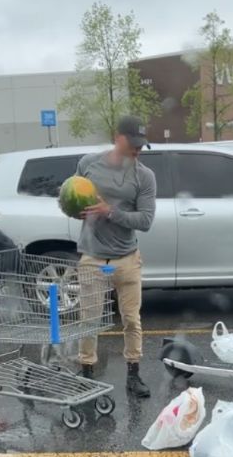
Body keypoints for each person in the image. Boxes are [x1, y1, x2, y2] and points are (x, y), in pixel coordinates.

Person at [76, 115, 157, 398]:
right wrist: (76, 210)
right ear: (117, 137)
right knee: (88, 320)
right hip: (92, 257)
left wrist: (108, 211)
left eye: (141, 145)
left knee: (132, 320)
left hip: (126, 258)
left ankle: (133, 375)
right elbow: (74, 199)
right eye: (132, 143)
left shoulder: (144, 176)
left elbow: (145, 220)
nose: (137, 149)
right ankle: (86, 372)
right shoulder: (87, 164)